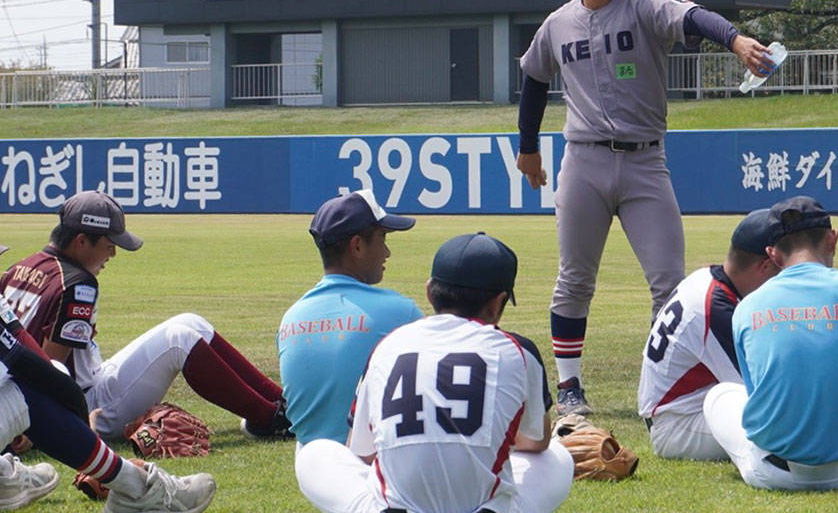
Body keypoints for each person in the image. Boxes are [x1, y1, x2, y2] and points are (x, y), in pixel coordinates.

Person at [516, 0, 775, 416]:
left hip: (644, 162)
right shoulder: (558, 23)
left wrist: (737, 41)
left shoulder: (644, 6)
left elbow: (696, 16)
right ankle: (569, 389)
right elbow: (533, 78)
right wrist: (527, 146)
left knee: (668, 283)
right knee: (574, 279)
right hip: (584, 162)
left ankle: (664, 384)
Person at [295, 232, 573, 513]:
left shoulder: (388, 345)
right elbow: (537, 442)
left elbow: (361, 451)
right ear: (497, 302)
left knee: (313, 453)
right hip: (482, 508)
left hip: (394, 509)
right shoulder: (518, 350)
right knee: (557, 456)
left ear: (429, 292)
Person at [0, 190, 290, 442]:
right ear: (81, 241)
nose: (113, 252)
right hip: (79, 406)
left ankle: (282, 403)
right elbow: (50, 371)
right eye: (109, 243)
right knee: (180, 340)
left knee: (191, 322)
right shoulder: (77, 284)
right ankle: (269, 420)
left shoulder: (20, 267)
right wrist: (49, 426)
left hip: (52, 392)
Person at [0, 244, 216, 512]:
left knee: (36, 378)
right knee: (30, 388)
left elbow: (23, 351)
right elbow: (28, 363)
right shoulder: (77, 283)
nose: (113, 252)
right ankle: (136, 489)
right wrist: (81, 421)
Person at [703, 196, 838, 490]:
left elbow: (759, 393)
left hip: (772, 474)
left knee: (718, 395)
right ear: (832, 240)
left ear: (773, 254)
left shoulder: (747, 306)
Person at [277, 190, 423, 457]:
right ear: (357, 246)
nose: (387, 252)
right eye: (383, 239)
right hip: (374, 467)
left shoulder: (291, 317)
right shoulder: (402, 312)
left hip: (315, 469)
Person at [637, 209, 778, 460]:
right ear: (765, 266)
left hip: (687, 411)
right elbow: (761, 391)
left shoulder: (709, 278)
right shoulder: (717, 309)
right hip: (680, 426)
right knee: (790, 427)